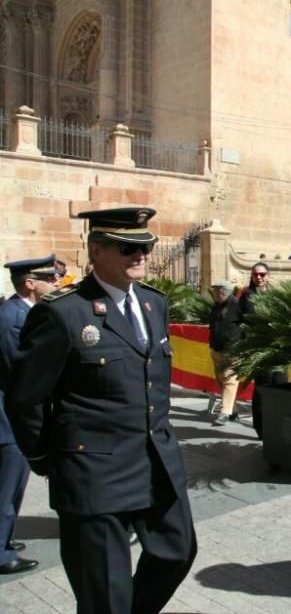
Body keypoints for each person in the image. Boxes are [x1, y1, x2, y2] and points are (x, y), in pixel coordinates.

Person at [6, 207, 197, 613]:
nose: (139, 256)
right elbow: (25, 397)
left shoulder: (152, 304)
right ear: (96, 251)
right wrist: (47, 459)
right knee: (104, 596)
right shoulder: (63, 313)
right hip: (94, 473)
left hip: (156, 463)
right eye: (127, 248)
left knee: (176, 553)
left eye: (145, 247)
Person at [0, 255, 57, 575]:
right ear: (30, 283)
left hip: (11, 414)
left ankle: (5, 538)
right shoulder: (13, 318)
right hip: (8, 418)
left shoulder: (21, 311)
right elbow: (18, 374)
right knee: (8, 485)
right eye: (49, 278)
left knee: (12, 485)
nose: (55, 282)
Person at [239, 262, 270, 437]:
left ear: (268, 276)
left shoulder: (274, 295)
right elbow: (239, 322)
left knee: (277, 387)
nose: (259, 277)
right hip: (256, 349)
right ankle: (260, 428)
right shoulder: (246, 296)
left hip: (274, 348)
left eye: (262, 274)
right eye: (255, 274)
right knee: (261, 388)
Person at [208, 279, 242, 426]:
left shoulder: (237, 305)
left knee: (229, 379)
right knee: (221, 380)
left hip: (232, 350)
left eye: (215, 290)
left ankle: (224, 412)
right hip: (217, 349)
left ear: (222, 291)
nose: (213, 293)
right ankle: (232, 409)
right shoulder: (216, 305)